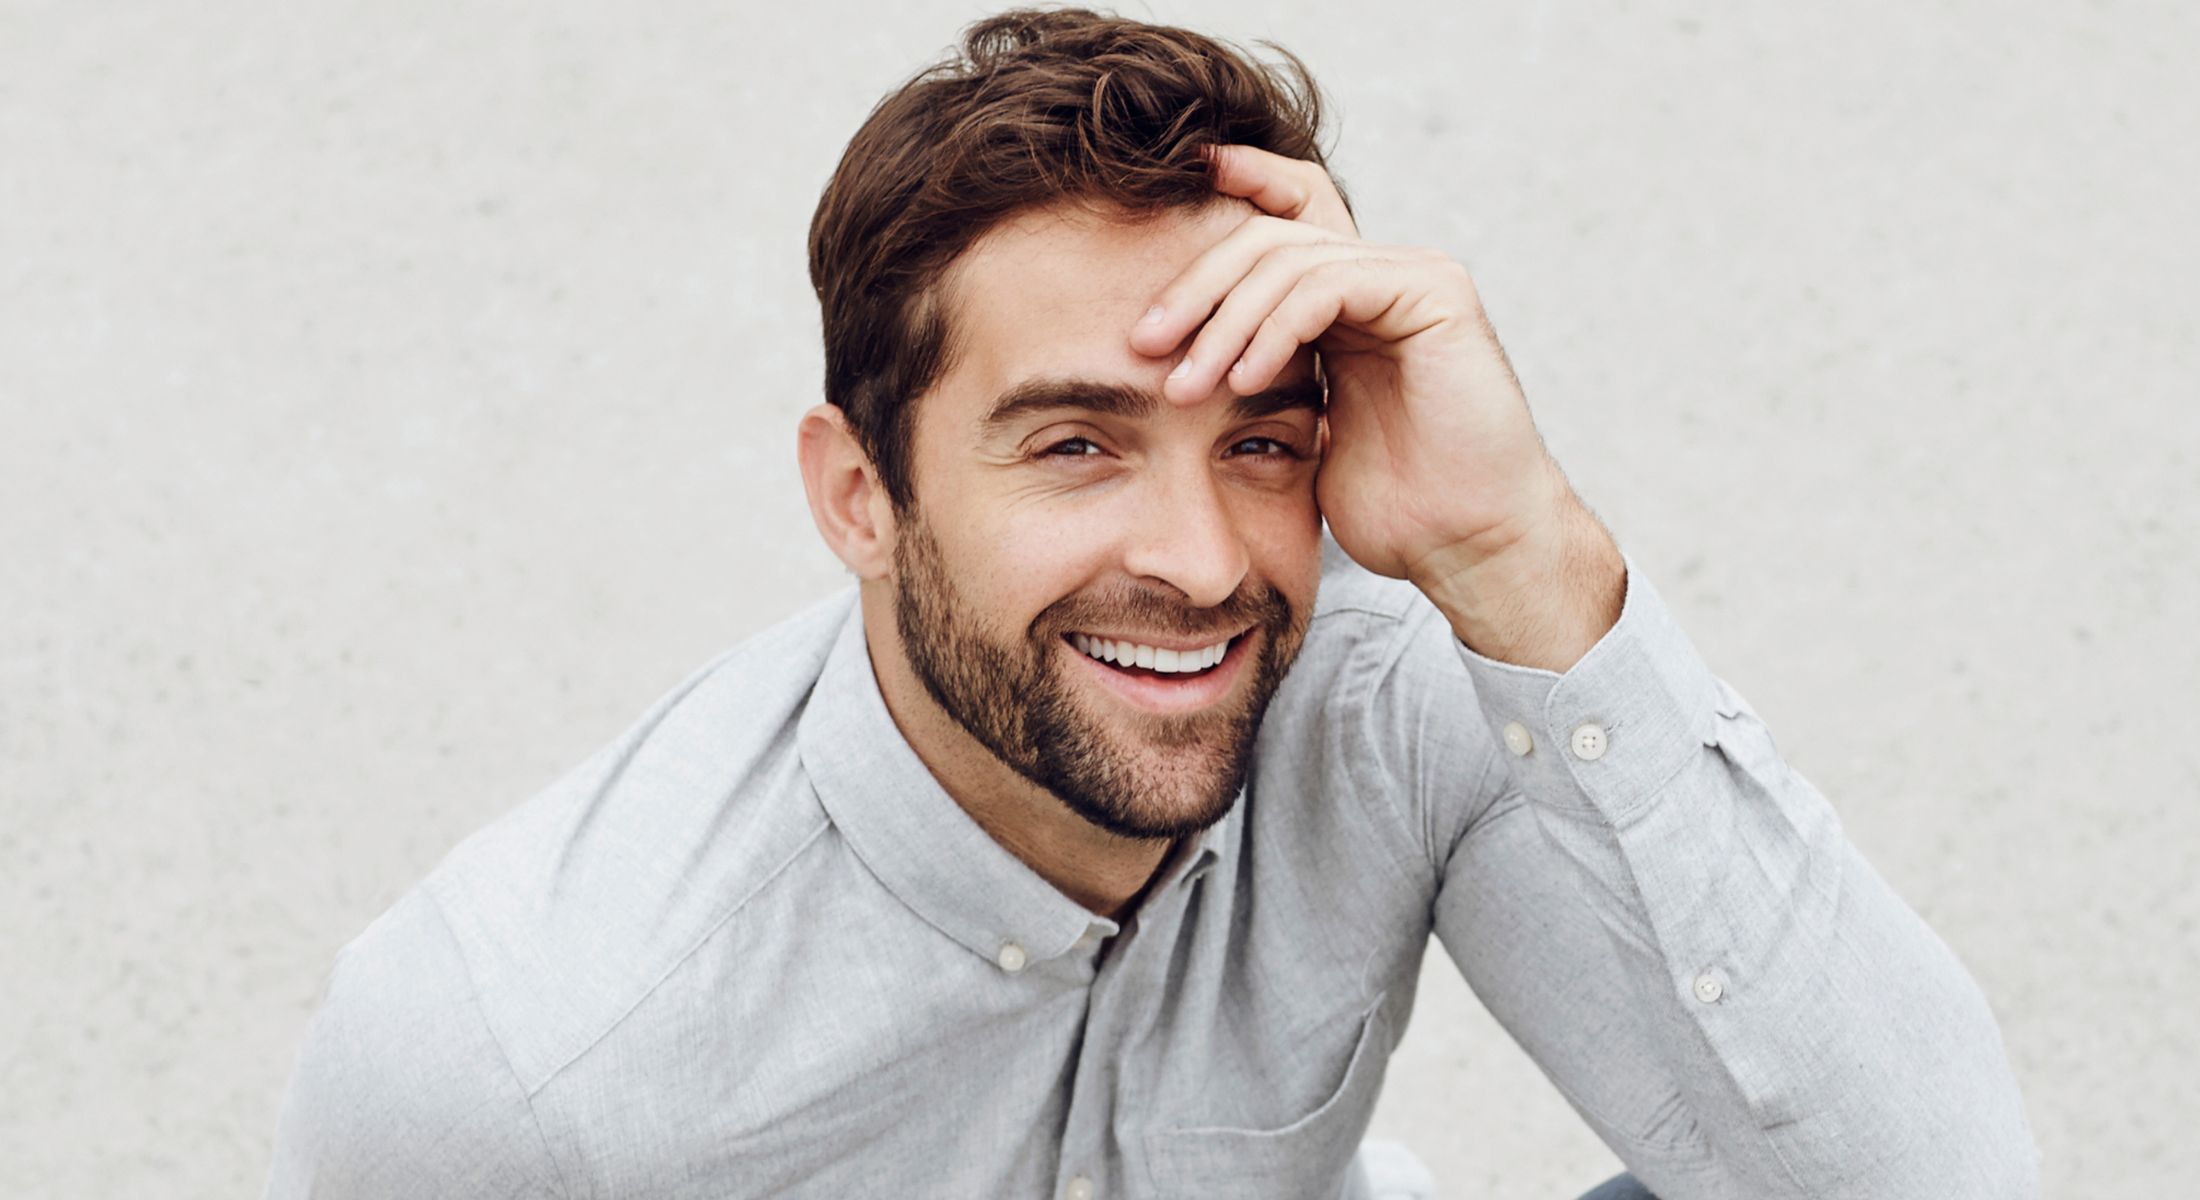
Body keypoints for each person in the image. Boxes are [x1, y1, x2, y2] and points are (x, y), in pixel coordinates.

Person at [264, 9, 2038, 1199]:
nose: (1199, 564)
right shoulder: (516, 1062)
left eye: (1260, 441)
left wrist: (1519, 555)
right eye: (1076, 447)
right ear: (858, 496)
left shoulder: (1391, 677)